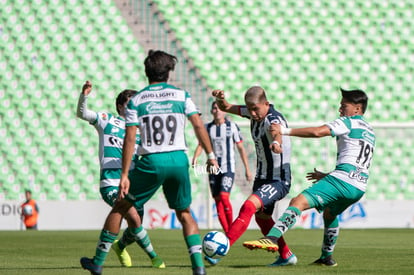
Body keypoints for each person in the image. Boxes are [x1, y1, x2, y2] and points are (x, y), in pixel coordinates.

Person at [80, 50, 218, 275]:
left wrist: (124, 175)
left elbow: (130, 137)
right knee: (184, 213)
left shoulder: (137, 100)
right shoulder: (181, 95)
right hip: (178, 159)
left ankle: (98, 262)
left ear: (147, 72)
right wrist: (211, 156)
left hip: (151, 161)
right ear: (169, 72)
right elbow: (198, 125)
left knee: (120, 206)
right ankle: (199, 268)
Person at [243, 88, 376, 267]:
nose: (340, 110)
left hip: (342, 180)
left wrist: (285, 131)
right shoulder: (370, 131)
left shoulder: (349, 122)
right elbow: (357, 162)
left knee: (298, 202)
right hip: (358, 187)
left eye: (344, 106)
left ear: (357, 109)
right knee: (330, 213)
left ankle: (272, 238)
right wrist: (327, 175)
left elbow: (318, 132)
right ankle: (326, 257)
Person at [77, 81, 165, 269]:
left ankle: (121, 247)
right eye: (130, 103)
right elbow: (82, 113)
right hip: (111, 183)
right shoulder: (107, 120)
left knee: (136, 224)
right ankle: (155, 258)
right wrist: (84, 95)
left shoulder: (141, 132)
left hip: (132, 185)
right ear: (120, 106)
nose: (135, 107)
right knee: (133, 216)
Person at [208, 86, 297, 267]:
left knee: (248, 207)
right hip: (262, 177)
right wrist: (220, 99)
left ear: (266, 103)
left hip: (278, 180)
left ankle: (221, 249)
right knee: (261, 217)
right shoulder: (251, 112)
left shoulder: (273, 118)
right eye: (250, 109)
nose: (253, 113)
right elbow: (226, 107)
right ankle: (286, 255)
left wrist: (276, 143)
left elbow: (275, 131)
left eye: (256, 109)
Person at [192, 101, 252, 234]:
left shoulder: (232, 127)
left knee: (224, 197)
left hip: (228, 167)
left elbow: (241, 148)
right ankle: (228, 233)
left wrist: (247, 168)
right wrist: (195, 158)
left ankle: (231, 231)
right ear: (212, 111)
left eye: (219, 108)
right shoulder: (207, 128)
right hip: (213, 168)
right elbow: (201, 145)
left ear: (224, 111)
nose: (217, 110)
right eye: (214, 108)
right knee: (218, 200)